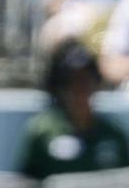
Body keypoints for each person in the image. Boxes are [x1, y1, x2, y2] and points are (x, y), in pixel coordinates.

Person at [18, 41, 129, 180]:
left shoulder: (113, 134)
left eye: (86, 80)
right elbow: (27, 186)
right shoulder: (43, 132)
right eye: (72, 82)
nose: (80, 89)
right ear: (59, 87)